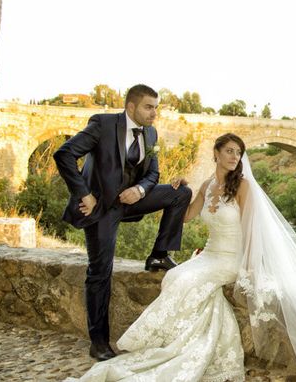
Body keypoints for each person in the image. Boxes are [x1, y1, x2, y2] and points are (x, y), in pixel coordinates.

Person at [65, 133, 296, 382]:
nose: (234, 157)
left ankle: (172, 350)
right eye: (229, 151)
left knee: (184, 278)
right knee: (176, 277)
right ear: (216, 153)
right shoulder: (207, 186)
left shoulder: (244, 187)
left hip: (231, 260)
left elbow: (251, 232)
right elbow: (186, 216)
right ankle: (179, 345)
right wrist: (175, 190)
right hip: (210, 255)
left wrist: (249, 268)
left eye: (238, 152)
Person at [54, 84, 192, 362]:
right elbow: (64, 154)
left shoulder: (151, 133)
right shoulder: (103, 124)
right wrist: (85, 194)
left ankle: (158, 255)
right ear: (131, 107)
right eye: (149, 107)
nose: (154, 113)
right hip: (100, 207)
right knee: (100, 271)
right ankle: (99, 342)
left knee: (181, 193)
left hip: (129, 200)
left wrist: (140, 190)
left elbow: (153, 173)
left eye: (156, 107)